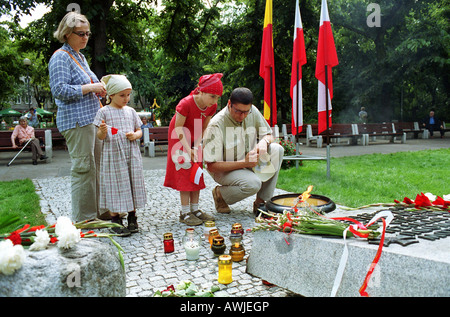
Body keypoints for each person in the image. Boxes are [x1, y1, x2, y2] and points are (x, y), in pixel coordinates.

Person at [48, 12, 106, 222]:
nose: (85, 37)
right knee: (83, 169)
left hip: (90, 121)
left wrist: (99, 89)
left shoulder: (79, 57)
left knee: (95, 167)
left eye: (87, 33)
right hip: (76, 122)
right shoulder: (61, 57)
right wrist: (91, 87)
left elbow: (84, 87)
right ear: (66, 33)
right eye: (80, 33)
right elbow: (59, 90)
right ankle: (84, 219)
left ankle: (98, 212)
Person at [202, 87, 284, 216]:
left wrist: (264, 142)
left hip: (249, 161)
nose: (243, 116)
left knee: (277, 149)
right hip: (225, 170)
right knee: (253, 184)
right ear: (229, 104)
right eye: (238, 111)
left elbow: (269, 134)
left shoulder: (252, 111)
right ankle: (220, 194)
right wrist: (244, 163)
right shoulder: (215, 125)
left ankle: (261, 203)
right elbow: (212, 166)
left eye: (246, 112)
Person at [164, 73, 223, 226]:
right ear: (201, 91)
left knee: (196, 171)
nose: (215, 101)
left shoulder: (212, 106)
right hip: (179, 135)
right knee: (185, 171)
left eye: (217, 97)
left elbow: (203, 127)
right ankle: (184, 212)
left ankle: (195, 209)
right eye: (212, 96)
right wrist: (186, 148)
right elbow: (178, 128)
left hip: (196, 134)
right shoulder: (185, 103)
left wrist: (196, 146)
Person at [94, 74, 146, 236]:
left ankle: (132, 216)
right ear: (111, 95)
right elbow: (100, 137)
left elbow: (139, 130)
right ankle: (115, 219)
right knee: (114, 185)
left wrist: (135, 135)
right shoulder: (104, 112)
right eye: (122, 95)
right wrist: (102, 132)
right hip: (113, 156)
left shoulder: (131, 112)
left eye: (128, 95)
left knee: (132, 182)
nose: (126, 98)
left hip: (131, 154)